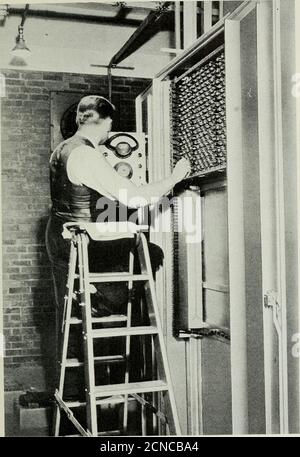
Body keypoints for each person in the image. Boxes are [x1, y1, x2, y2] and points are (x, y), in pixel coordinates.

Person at [45, 94, 191, 396]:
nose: (111, 132)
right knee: (152, 252)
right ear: (105, 122)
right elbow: (135, 198)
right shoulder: (86, 154)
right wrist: (175, 177)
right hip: (79, 244)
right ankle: (100, 299)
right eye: (111, 124)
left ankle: (96, 295)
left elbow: (82, 197)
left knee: (131, 247)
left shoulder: (61, 149)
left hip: (60, 237)